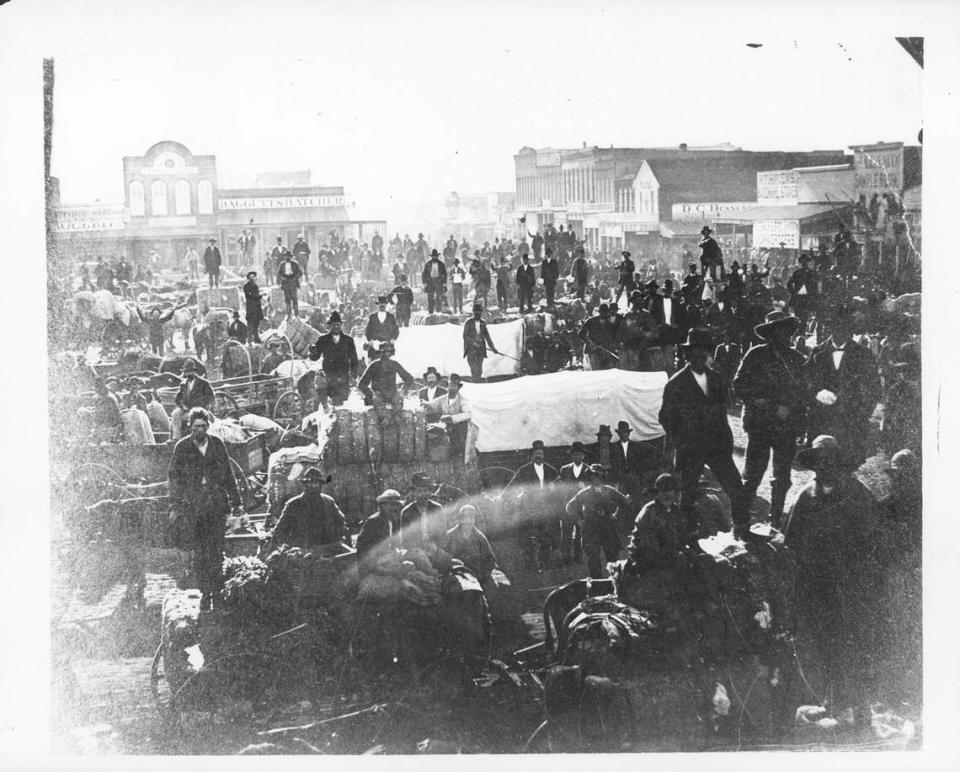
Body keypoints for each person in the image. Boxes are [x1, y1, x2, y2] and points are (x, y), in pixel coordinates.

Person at [780, 435, 882, 706]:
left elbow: (873, 543)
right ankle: (831, 701)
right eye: (819, 463)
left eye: (829, 462)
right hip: (817, 585)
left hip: (850, 586)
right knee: (822, 643)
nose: (824, 468)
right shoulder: (805, 496)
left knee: (852, 645)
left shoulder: (858, 495)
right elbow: (791, 542)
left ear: (839, 464)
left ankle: (856, 707)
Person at [659, 328, 749, 541]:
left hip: (717, 447)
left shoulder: (717, 379)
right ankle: (688, 539)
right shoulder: (676, 384)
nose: (699, 357)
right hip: (691, 450)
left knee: (736, 489)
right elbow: (665, 418)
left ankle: (742, 531)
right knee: (687, 497)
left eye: (704, 353)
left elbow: (721, 412)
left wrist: (726, 441)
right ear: (686, 356)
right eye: (694, 353)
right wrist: (682, 442)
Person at [732, 311, 808, 527]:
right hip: (759, 424)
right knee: (752, 474)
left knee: (782, 477)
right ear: (770, 333)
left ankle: (775, 521)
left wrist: (790, 409)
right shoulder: (755, 355)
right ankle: (741, 521)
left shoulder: (797, 359)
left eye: (787, 330)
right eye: (778, 330)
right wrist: (763, 402)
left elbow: (804, 393)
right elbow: (738, 385)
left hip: (786, 427)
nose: (784, 335)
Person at [167, 407, 242, 610]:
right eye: (195, 427)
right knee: (200, 553)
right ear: (190, 428)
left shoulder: (217, 445)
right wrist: (175, 505)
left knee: (216, 551)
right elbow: (174, 478)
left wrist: (236, 502)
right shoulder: (182, 448)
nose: (200, 430)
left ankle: (217, 592)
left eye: (203, 426)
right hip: (194, 508)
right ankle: (205, 593)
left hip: (216, 506)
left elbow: (228, 473)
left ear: (208, 426)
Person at [804, 306, 881, 470]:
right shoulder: (818, 352)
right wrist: (816, 394)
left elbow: (874, 388)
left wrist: (860, 412)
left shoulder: (863, 354)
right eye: (834, 326)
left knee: (847, 468)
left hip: (850, 423)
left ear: (851, 330)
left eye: (844, 326)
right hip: (822, 421)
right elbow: (806, 381)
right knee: (821, 467)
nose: (839, 331)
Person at [565, 465, 629, 579]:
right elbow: (570, 507)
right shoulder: (584, 493)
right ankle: (597, 584)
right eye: (593, 476)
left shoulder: (610, 490)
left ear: (603, 477)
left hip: (607, 526)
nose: (596, 479)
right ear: (589, 477)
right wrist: (579, 520)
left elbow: (624, 502)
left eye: (599, 476)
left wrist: (616, 515)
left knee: (613, 557)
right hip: (591, 528)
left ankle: (615, 583)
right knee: (593, 558)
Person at [508, 440, 559, 571]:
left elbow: (558, 485)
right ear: (531, 455)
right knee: (529, 538)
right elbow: (512, 485)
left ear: (544, 455)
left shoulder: (550, 470)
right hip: (530, 508)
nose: (538, 456)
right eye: (536, 453)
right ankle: (530, 565)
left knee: (545, 537)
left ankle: (544, 563)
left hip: (545, 508)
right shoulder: (524, 470)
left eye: (541, 453)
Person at [270, 466, 348, 550]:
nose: (313, 486)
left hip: (327, 548)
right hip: (302, 551)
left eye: (316, 483)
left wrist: (338, 538)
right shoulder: (293, 504)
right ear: (305, 485)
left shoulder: (328, 501)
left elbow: (341, 522)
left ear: (321, 485)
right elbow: (279, 531)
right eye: (310, 483)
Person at [308, 311, 358, 406]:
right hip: (329, 375)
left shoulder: (348, 340)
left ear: (341, 325)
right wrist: (312, 351)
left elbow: (354, 358)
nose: (336, 327)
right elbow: (315, 357)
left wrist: (354, 375)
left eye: (338, 325)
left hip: (343, 375)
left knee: (341, 402)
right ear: (330, 326)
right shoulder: (323, 340)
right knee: (330, 401)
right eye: (334, 325)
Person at [444, 504, 500, 587]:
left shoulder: (480, 538)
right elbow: (442, 556)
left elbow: (490, 559)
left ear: (474, 519)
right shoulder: (450, 535)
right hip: (455, 575)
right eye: (464, 517)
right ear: (460, 519)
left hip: (476, 575)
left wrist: (483, 574)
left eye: (471, 517)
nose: (468, 521)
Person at [881, 343, 921, 455]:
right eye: (901, 372)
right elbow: (888, 409)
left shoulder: (919, 388)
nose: (902, 374)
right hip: (901, 427)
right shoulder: (896, 388)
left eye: (907, 371)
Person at [555, 441, 590, 564]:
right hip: (568, 507)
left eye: (579, 455)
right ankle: (566, 558)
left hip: (582, 508)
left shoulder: (588, 470)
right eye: (575, 455)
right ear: (572, 456)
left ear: (583, 456)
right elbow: (559, 486)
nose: (577, 457)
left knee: (580, 533)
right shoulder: (565, 469)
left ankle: (579, 557)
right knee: (566, 534)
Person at [423, 372, 471, 460]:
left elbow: (468, 414)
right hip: (445, 429)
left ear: (458, 387)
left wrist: (452, 418)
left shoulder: (462, 400)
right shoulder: (443, 398)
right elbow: (432, 405)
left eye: (454, 386)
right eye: (449, 385)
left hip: (458, 431)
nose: (451, 388)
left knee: (457, 447)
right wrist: (426, 405)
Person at [356, 489, 405, 574]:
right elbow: (362, 547)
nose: (395, 508)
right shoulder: (373, 521)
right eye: (391, 505)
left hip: (389, 558)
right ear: (383, 505)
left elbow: (394, 543)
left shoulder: (395, 520)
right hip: (374, 562)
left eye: (397, 505)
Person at [357, 341, 415, 410]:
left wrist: (402, 390)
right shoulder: (374, 365)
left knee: (398, 403)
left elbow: (409, 378)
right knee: (378, 406)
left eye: (389, 352)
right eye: (384, 352)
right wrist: (371, 394)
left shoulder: (394, 364)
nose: (386, 354)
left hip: (392, 395)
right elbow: (361, 384)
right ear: (380, 353)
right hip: (378, 395)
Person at [616, 291, 660, 370]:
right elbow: (621, 332)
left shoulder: (647, 314)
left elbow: (655, 330)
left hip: (645, 344)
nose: (638, 302)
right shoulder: (628, 315)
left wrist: (649, 334)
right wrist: (621, 341)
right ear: (632, 302)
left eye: (640, 300)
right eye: (636, 300)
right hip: (631, 344)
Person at [400, 473, 444, 549]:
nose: (423, 494)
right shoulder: (407, 511)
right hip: (415, 549)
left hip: (434, 548)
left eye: (425, 491)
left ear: (430, 492)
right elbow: (405, 539)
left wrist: (436, 547)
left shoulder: (437, 508)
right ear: (413, 493)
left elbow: (442, 533)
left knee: (453, 561)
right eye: (419, 491)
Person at [462, 303, 499, 382]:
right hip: (471, 350)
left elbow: (487, 336)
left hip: (481, 350)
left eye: (479, 312)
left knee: (479, 369)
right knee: (474, 368)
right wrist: (473, 343)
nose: (478, 314)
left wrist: (493, 348)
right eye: (476, 312)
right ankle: (475, 383)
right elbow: (465, 336)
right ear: (473, 312)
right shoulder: (468, 323)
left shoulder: (483, 323)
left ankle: (477, 383)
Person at [579, 303, 619, 370]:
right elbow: (581, 333)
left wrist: (611, 345)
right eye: (602, 312)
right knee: (595, 371)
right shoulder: (591, 321)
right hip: (591, 351)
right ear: (599, 312)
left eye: (606, 312)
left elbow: (614, 338)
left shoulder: (610, 325)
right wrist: (589, 341)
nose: (604, 314)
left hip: (605, 352)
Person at [787, 254, 818, 325]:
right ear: (800, 262)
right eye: (802, 261)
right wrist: (793, 293)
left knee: (806, 318)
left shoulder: (812, 273)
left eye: (805, 261)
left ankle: (803, 331)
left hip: (808, 298)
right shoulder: (797, 273)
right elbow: (789, 284)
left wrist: (814, 295)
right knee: (798, 317)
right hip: (798, 298)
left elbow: (816, 285)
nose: (804, 263)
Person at [276, 251, 304, 317]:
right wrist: (282, 278)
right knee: (287, 299)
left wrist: (295, 278)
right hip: (285, 282)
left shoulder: (295, 263)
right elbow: (279, 273)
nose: (287, 257)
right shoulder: (282, 264)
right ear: (284, 257)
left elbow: (300, 273)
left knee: (294, 299)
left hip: (293, 282)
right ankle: (289, 314)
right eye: (286, 256)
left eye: (288, 256)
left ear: (290, 257)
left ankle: (297, 314)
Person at [422, 249, 447, 313]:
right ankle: (430, 312)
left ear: (437, 257)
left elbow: (445, 274)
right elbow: (424, 274)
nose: (434, 257)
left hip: (439, 281)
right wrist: (425, 283)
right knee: (430, 297)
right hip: (430, 281)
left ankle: (439, 312)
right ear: (431, 257)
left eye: (436, 256)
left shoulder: (441, 264)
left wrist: (444, 283)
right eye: (433, 256)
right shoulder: (428, 264)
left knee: (439, 297)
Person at [242, 271, 264, 344]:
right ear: (248, 278)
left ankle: (256, 338)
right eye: (251, 277)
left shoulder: (256, 286)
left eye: (254, 277)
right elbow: (249, 296)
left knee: (256, 324)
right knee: (250, 324)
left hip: (257, 308)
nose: (253, 278)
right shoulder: (246, 286)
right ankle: (249, 340)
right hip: (251, 308)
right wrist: (259, 296)